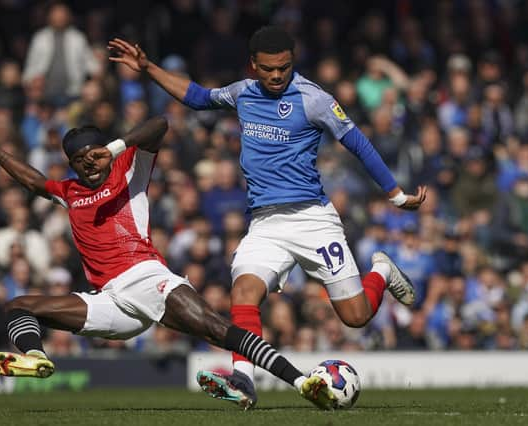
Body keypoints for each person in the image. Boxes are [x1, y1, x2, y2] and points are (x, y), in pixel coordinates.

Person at [109, 25, 427, 407]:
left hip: (312, 218)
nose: (277, 76)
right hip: (265, 224)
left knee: (356, 317)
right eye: (269, 69)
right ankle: (244, 379)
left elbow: (357, 142)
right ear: (254, 66)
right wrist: (148, 67)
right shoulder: (243, 92)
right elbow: (196, 97)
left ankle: (382, 271)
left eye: (285, 68)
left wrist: (395, 195)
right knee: (243, 291)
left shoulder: (314, 99)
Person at [0, 107, 336, 411]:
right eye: (78, 159)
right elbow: (32, 181)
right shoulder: (68, 191)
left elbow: (160, 124)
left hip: (145, 276)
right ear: (71, 164)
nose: (88, 163)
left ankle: (302, 382)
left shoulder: (128, 169)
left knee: (216, 328)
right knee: (19, 306)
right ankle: (37, 358)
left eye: (93, 154)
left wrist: (117, 147)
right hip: (111, 299)